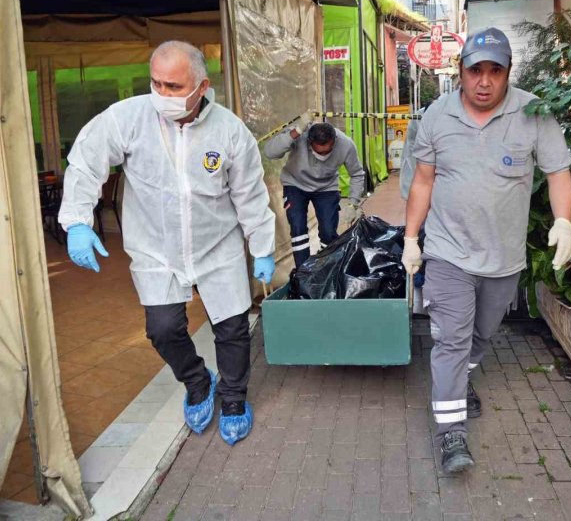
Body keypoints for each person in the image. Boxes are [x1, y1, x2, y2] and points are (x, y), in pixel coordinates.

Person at [58, 40, 276, 446]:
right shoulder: (129, 118)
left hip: (218, 245)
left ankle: (233, 398)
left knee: (231, 329)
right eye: (156, 83)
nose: (163, 94)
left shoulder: (229, 131)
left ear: (201, 85)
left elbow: (250, 193)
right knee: (162, 330)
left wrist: (261, 246)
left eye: (174, 86)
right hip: (156, 247)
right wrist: (76, 221)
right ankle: (198, 381)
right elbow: (87, 161)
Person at [402, 27, 571, 473]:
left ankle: (460, 380)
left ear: (508, 74)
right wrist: (410, 237)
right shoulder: (438, 115)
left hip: (503, 258)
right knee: (451, 340)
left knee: (480, 336)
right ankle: (451, 435)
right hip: (447, 252)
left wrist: (563, 222)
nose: (484, 81)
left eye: (494, 71)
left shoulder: (534, 113)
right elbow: (423, 180)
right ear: (460, 72)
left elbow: (557, 173)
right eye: (474, 70)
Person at [264, 121, 366, 267]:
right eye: (319, 151)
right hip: (295, 184)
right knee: (298, 228)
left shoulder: (346, 144)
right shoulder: (299, 135)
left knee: (329, 232)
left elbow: (356, 174)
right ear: (309, 142)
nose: (323, 155)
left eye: (327, 151)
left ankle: (326, 268)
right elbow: (269, 152)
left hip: (326, 187)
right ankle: (303, 272)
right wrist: (295, 132)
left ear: (334, 141)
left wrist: (353, 204)